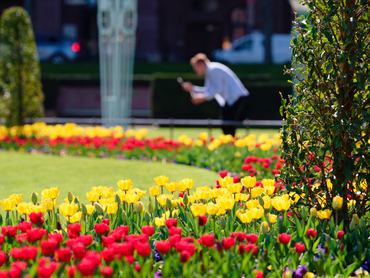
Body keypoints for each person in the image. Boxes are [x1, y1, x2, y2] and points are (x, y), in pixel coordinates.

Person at [181, 53, 250, 136]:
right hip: (231, 100)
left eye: (195, 67)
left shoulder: (213, 70)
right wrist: (193, 88)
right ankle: (229, 143)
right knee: (226, 124)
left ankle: (230, 143)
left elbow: (216, 89)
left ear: (201, 64)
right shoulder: (210, 70)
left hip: (237, 98)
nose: (195, 70)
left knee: (228, 124)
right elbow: (209, 90)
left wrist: (202, 98)